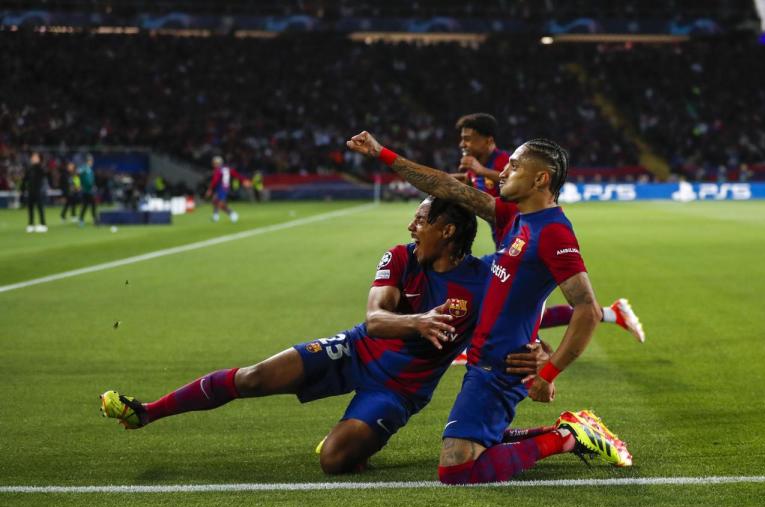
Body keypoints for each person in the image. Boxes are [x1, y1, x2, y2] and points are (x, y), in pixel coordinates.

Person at [101, 197, 516, 473]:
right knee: (254, 378)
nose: (411, 226)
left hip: (400, 390)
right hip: (353, 349)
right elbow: (375, 318)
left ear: (446, 231)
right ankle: (148, 411)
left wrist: (536, 350)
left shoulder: (481, 283)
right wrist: (418, 322)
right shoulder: (400, 257)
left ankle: (359, 438)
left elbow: (512, 322)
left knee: (335, 461)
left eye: (421, 220)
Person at [347, 131, 633, 485]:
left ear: (540, 178)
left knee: (457, 470)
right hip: (483, 358)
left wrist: (548, 373)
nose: (502, 173)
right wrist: (384, 154)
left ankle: (567, 438)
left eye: (513, 167)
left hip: (502, 367)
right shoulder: (514, 215)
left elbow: (586, 308)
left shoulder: (554, 233)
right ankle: (568, 430)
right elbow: (447, 188)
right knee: (472, 446)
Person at [453, 112, 645, 345]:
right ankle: (608, 315)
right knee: (508, 304)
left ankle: (533, 345)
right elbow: (475, 187)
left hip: (528, 242)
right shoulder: (475, 167)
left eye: (469, 138)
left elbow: (509, 186)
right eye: (462, 138)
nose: (463, 144)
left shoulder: (507, 161)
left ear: (488, 141)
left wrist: (480, 170)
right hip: (507, 242)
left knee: (504, 302)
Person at [206, 156, 239, 223]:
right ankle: (216, 216)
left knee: (220, 203)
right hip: (223, 187)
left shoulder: (219, 170)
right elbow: (235, 174)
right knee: (215, 201)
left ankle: (231, 214)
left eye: (214, 163)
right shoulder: (226, 168)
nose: (213, 164)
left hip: (222, 188)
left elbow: (214, 180)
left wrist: (210, 189)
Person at [23, 152, 47, 233]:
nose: (33, 158)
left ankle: (43, 224)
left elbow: (44, 173)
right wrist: (22, 189)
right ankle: (31, 224)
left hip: (39, 191)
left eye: (35, 157)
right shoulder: (29, 168)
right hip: (30, 191)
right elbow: (25, 179)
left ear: (39, 159)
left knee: (40, 208)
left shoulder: (40, 168)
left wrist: (39, 164)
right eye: (33, 157)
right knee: (30, 209)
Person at [78, 155, 97, 226]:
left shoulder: (88, 169)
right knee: (92, 205)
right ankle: (95, 219)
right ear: (88, 161)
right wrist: (77, 186)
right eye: (91, 161)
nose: (92, 162)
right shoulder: (84, 169)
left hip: (89, 190)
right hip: (86, 191)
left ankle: (81, 220)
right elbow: (76, 176)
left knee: (86, 205)